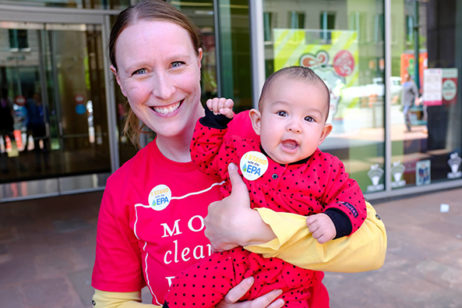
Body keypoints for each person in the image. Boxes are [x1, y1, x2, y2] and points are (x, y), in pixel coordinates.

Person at [91, 1, 387, 307]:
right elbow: (110, 302)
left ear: (199, 61)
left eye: (176, 64)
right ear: (118, 80)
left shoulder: (264, 134)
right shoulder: (124, 186)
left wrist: (259, 230)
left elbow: (373, 246)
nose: (164, 90)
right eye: (140, 71)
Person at [163, 67, 366, 307]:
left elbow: (352, 198)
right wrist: (214, 122)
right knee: (191, 284)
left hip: (292, 273)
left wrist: (335, 221)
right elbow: (205, 158)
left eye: (309, 118)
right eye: (282, 113)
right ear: (258, 122)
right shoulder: (241, 152)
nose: (295, 126)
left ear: (322, 134)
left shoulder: (328, 169)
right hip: (236, 260)